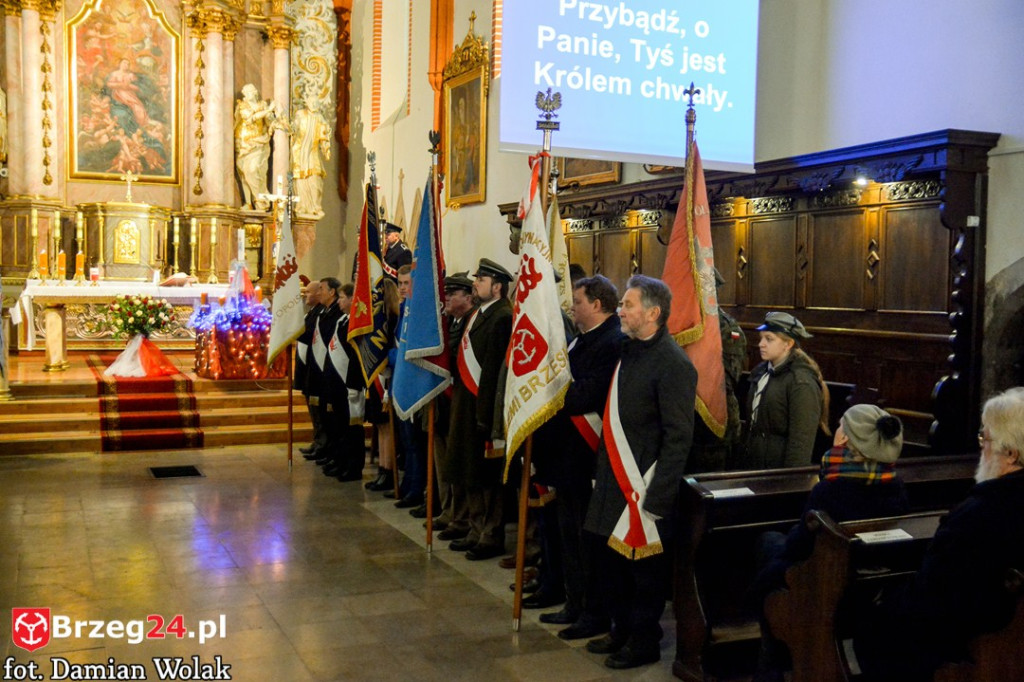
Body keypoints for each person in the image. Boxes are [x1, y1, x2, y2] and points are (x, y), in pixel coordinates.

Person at [852, 387, 1024, 681]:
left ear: (1010, 454)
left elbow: (931, 601)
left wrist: (884, 603)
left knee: (869, 630)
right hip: (1007, 642)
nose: (981, 446)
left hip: (963, 649)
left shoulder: (977, 516)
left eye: (985, 437)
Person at [583, 275, 697, 669]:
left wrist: (659, 495)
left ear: (653, 313)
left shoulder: (674, 363)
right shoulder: (626, 351)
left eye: (628, 305)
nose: (621, 310)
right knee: (611, 564)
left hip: (643, 486)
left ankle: (644, 640)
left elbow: (679, 436)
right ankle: (621, 629)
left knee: (643, 573)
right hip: (613, 480)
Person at [750, 404, 909, 682]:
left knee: (769, 549)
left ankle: (771, 667)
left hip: (827, 590)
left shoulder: (830, 490)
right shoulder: (894, 486)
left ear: (845, 438)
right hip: (870, 588)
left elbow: (796, 551)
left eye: (839, 425)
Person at [532, 275, 625, 640]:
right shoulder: (581, 339)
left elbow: (583, 396)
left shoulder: (611, 342)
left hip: (587, 457)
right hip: (565, 455)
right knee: (568, 533)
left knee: (588, 540)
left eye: (578, 300)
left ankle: (593, 611)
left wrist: (551, 388)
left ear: (597, 305)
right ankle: (574, 602)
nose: (572, 306)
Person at [445, 258, 514, 561]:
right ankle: (474, 527)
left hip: (482, 407)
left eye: (482, 280)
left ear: (497, 287)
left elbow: (494, 372)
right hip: (466, 403)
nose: (476, 283)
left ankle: (490, 533)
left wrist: (487, 415)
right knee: (468, 470)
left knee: (486, 476)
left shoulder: (502, 317)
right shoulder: (479, 315)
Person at [743, 311, 829, 469]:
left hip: (778, 468)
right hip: (755, 463)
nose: (761, 344)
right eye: (761, 338)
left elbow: (801, 440)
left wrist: (790, 480)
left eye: (769, 339)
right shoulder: (762, 372)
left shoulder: (800, 382)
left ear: (788, 344)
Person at [435, 272, 477, 539]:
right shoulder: (450, 321)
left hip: (461, 403)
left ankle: (462, 517)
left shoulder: (469, 323)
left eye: (452, 293)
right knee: (446, 463)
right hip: (445, 402)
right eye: (446, 293)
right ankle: (450, 510)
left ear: (467, 296)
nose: (447, 298)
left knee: (460, 465)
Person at [234, 84, 279, 211]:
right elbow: (250, 119)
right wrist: (269, 110)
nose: (249, 94)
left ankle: (261, 201)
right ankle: (248, 202)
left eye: (251, 92)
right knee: (243, 172)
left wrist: (272, 120)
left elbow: (269, 121)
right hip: (244, 144)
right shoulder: (243, 106)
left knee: (254, 170)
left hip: (260, 143)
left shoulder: (263, 105)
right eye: (247, 93)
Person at [297, 280, 326, 461]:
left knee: (319, 411)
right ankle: (317, 442)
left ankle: (322, 444)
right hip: (308, 367)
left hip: (317, 368)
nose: (305, 295)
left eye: (308, 292)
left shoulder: (320, 313)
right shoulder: (312, 313)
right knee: (313, 410)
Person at [290, 89, 330, 220]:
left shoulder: (320, 118)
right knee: (300, 180)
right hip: (300, 152)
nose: (314, 104)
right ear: (306, 102)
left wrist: (326, 147)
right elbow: (294, 128)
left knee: (316, 181)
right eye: (311, 102)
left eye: (316, 102)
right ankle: (302, 206)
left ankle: (315, 206)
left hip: (312, 153)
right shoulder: (300, 114)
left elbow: (324, 136)